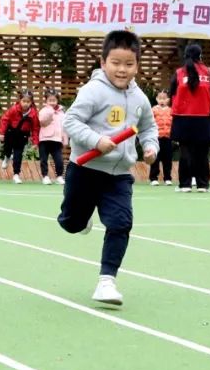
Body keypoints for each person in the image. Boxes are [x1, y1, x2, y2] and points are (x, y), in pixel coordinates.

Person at [58, 30, 158, 306]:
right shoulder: (93, 91)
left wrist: (151, 148)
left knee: (121, 223)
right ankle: (81, 218)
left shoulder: (140, 98)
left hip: (119, 175)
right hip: (85, 169)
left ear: (137, 65)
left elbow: (149, 128)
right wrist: (96, 140)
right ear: (103, 62)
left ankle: (106, 281)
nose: (122, 69)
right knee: (71, 223)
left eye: (128, 64)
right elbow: (71, 122)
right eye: (116, 62)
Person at [169, 43, 210, 193]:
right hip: (204, 118)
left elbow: (172, 92)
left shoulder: (179, 73)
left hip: (182, 118)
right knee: (202, 153)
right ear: (200, 56)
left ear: (185, 55)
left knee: (185, 152)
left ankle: (185, 184)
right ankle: (202, 185)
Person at [0, 90, 40, 184]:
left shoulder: (33, 114)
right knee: (7, 149)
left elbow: (35, 128)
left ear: (31, 102)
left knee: (18, 155)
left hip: (22, 135)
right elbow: (4, 120)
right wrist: (1, 133)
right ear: (20, 101)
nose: (25, 104)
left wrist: (35, 142)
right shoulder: (14, 109)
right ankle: (7, 157)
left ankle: (16, 174)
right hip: (10, 132)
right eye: (24, 101)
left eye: (28, 102)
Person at [37, 88, 68, 185]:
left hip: (57, 140)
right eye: (50, 100)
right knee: (44, 159)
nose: (52, 102)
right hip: (44, 139)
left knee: (59, 159)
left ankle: (59, 176)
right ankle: (45, 176)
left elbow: (64, 126)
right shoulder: (43, 110)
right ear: (46, 100)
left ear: (57, 100)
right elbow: (42, 121)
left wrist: (65, 139)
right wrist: (50, 111)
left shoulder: (62, 113)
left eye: (54, 100)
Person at [149, 89, 174, 186]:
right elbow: (150, 123)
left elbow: (173, 124)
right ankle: (153, 178)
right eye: (160, 98)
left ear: (168, 99)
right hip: (156, 138)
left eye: (164, 98)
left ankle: (167, 178)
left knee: (167, 159)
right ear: (156, 99)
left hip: (167, 138)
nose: (162, 100)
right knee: (155, 158)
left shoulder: (171, 110)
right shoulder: (153, 110)